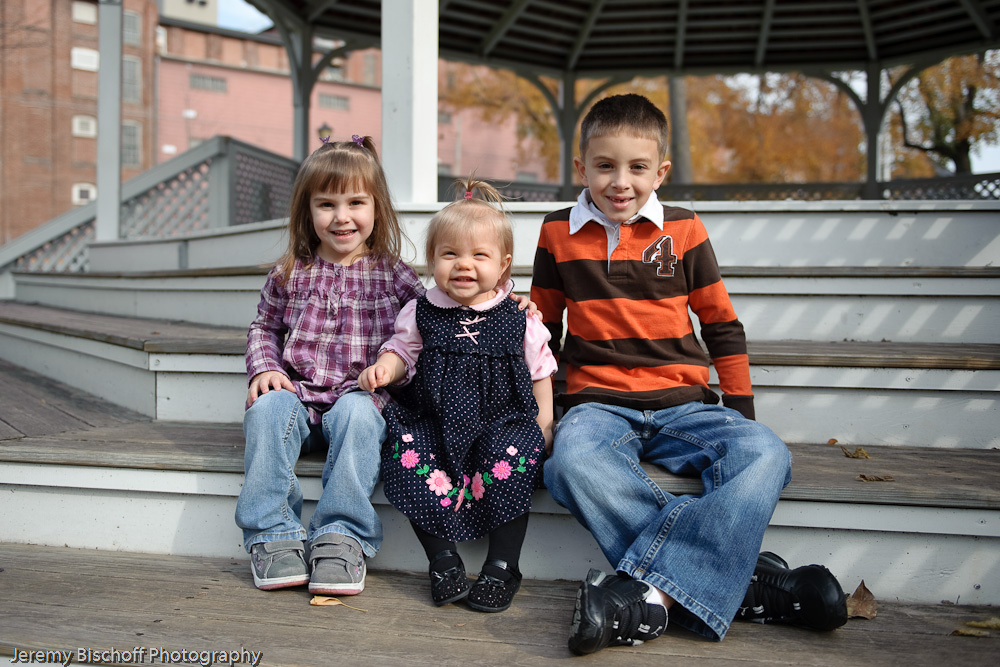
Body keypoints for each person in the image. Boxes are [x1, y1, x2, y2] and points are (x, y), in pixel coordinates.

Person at [530, 94, 847, 653]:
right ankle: (744, 585)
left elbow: (722, 324)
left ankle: (651, 597)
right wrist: (544, 415)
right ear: (580, 168)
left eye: (637, 167)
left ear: (662, 172)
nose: (620, 182)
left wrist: (740, 411)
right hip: (595, 404)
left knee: (765, 453)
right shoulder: (557, 232)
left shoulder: (685, 228)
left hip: (685, 403)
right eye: (604, 166)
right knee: (571, 464)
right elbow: (542, 334)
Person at [235, 135, 425, 595]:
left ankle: (341, 535)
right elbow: (264, 327)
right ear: (308, 211)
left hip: (361, 395)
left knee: (360, 416)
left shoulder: (394, 273)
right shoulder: (289, 272)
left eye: (356, 202)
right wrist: (264, 368)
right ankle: (273, 534)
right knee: (265, 412)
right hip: (298, 393)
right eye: (327, 204)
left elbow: (423, 331)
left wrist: (392, 363)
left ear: (376, 207)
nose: (342, 217)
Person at [359, 177, 557, 613]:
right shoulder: (421, 310)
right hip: (434, 418)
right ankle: (443, 559)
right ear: (432, 259)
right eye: (449, 254)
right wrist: (384, 369)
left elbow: (541, 371)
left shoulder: (519, 317)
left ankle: (503, 564)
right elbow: (402, 352)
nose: (463, 265)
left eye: (478, 255)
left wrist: (544, 424)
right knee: (407, 455)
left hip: (502, 420)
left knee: (511, 459)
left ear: (504, 265)